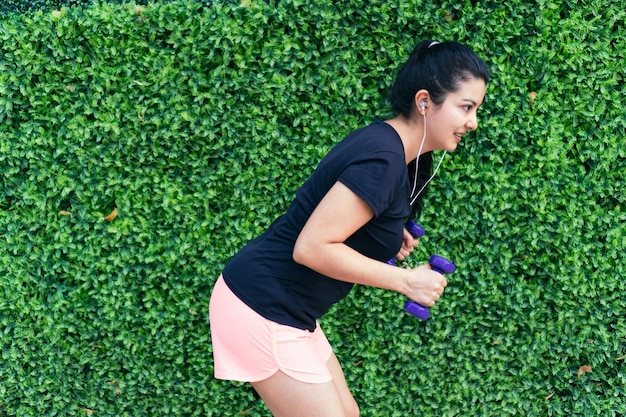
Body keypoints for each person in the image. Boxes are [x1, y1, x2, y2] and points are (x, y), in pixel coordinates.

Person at [209, 40, 490, 417]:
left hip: (283, 307)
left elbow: (343, 226)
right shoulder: (384, 159)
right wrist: (407, 281)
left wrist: (388, 236)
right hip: (263, 304)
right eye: (466, 107)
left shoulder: (392, 149)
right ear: (424, 102)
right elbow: (311, 247)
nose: (473, 122)